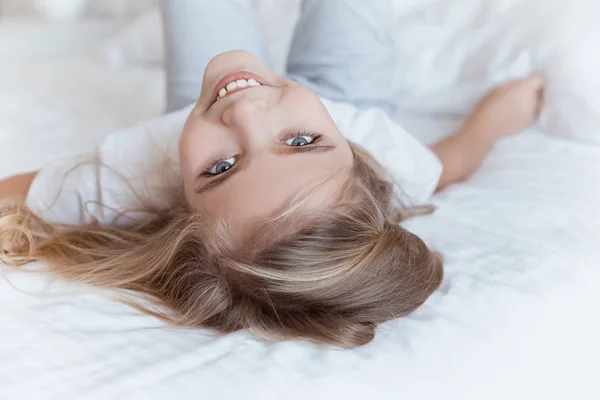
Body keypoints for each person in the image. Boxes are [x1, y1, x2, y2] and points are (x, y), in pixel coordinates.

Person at [0, 0, 545, 347]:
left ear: (184, 205)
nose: (248, 114)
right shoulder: (386, 153)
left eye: (220, 168)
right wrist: (492, 123)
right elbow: (451, 162)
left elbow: (12, 197)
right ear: (360, 166)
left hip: (201, 100)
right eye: (301, 144)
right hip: (350, 100)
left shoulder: (134, 177)